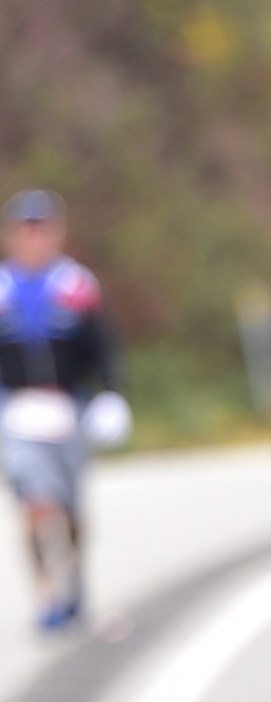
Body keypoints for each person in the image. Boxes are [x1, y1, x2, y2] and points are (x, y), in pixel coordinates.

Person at [0, 190, 128, 634]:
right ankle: (47, 594)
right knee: (37, 506)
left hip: (67, 408)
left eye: (43, 229)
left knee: (71, 514)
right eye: (26, 229)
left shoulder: (76, 286)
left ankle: (73, 581)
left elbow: (103, 344)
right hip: (18, 411)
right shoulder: (2, 289)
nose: (34, 238)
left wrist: (111, 393)